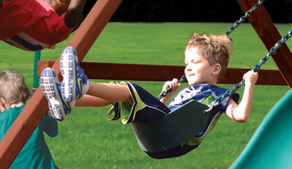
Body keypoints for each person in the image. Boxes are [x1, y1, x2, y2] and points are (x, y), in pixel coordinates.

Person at [47, 33, 258, 132]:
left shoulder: (218, 94)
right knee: (119, 93)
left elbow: (240, 116)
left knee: (130, 90)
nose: (188, 67)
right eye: (186, 63)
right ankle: (69, 102)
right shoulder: (186, 92)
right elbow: (164, 110)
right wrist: (165, 93)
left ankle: (83, 85)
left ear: (215, 68)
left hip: (171, 136)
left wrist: (249, 84)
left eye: (195, 62)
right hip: (160, 129)